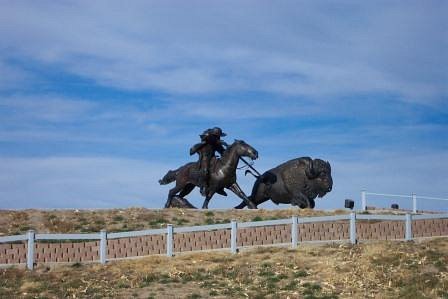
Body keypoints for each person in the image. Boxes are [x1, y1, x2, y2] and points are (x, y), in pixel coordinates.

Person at [190, 127, 228, 196]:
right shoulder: (207, 140)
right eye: (217, 136)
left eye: (219, 136)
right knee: (205, 170)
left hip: (213, 158)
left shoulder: (216, 143)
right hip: (205, 158)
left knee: (220, 168)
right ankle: (203, 187)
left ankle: (220, 187)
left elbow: (222, 151)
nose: (219, 137)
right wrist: (220, 142)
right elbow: (210, 139)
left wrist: (229, 151)